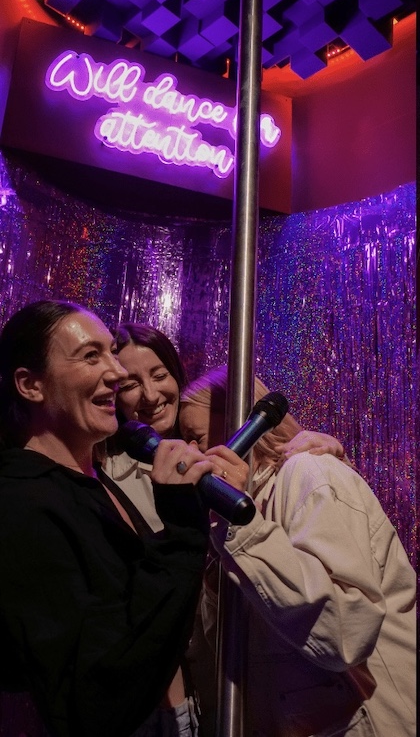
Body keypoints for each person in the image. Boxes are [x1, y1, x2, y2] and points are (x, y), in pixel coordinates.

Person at [0, 300, 245, 737]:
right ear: (30, 384)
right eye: (91, 356)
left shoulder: (91, 481)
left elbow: (140, 614)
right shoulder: (22, 501)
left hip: (181, 715)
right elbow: (95, 692)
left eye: (111, 352)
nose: (116, 372)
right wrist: (182, 529)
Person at [178, 367, 416, 736]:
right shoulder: (229, 514)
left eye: (196, 438)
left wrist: (243, 527)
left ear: (238, 428)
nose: (191, 453)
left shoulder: (308, 474)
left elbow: (344, 632)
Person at [108, 322, 344, 533]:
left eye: (159, 376)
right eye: (130, 385)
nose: (150, 395)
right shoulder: (112, 472)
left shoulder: (207, 433)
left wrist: (334, 456)